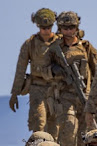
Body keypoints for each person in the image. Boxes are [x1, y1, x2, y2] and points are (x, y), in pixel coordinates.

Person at [48, 11, 97, 146]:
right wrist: (58, 71)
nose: (68, 31)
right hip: (65, 98)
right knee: (68, 132)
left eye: (71, 27)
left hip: (85, 97)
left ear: (76, 28)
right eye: (65, 28)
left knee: (85, 136)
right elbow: (44, 69)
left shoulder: (86, 47)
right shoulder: (55, 48)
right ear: (60, 28)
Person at [9, 8, 59, 136]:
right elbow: (20, 70)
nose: (46, 31)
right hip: (37, 88)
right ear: (38, 26)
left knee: (56, 127)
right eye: (43, 27)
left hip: (58, 89)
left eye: (49, 27)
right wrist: (14, 93)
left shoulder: (60, 42)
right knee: (39, 123)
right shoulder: (30, 44)